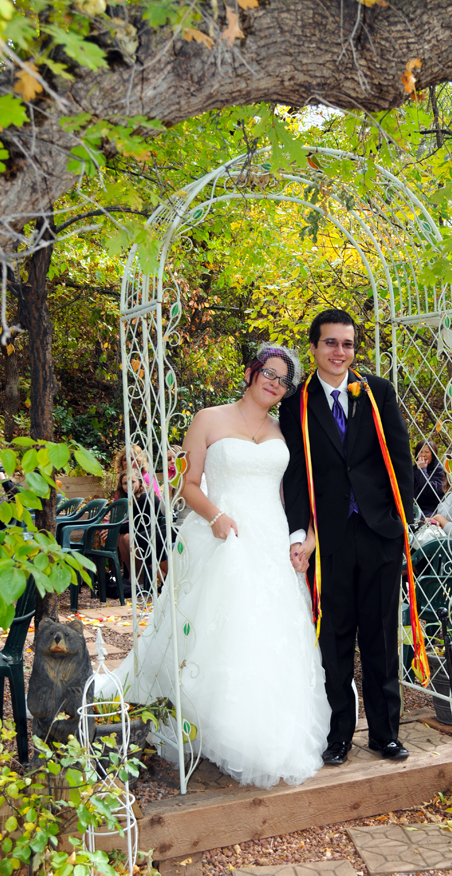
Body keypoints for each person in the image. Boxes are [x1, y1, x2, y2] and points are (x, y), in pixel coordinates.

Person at [98, 343, 330, 789]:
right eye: (268, 372)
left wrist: (308, 539)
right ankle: (214, 725)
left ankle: (264, 730)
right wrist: (216, 517)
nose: (274, 382)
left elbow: (298, 496)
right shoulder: (208, 418)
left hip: (271, 540)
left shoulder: (286, 432)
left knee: (273, 634)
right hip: (222, 535)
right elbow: (186, 485)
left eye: (283, 379)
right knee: (223, 631)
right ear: (251, 371)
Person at [279, 310, 414, 767]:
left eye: (348, 344)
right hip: (328, 537)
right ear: (314, 348)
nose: (340, 352)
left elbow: (400, 456)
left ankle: (384, 733)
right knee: (333, 641)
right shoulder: (295, 404)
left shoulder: (377, 392)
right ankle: (338, 735)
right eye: (331, 343)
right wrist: (300, 532)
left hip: (378, 533)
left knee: (379, 635)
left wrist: (403, 522)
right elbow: (296, 473)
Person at [413, 440, 444, 517]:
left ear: (433, 454)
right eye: (420, 452)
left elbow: (429, 490)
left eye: (427, 452)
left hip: (431, 511)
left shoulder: (440, 470)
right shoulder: (413, 469)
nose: (423, 455)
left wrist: (422, 470)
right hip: (412, 509)